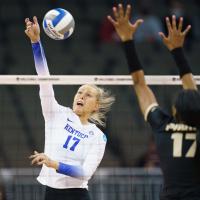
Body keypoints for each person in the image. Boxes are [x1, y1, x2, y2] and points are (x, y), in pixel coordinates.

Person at [108, 4, 200, 200]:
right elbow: (192, 97)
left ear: (176, 110)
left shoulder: (162, 126)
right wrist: (178, 51)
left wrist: (127, 40)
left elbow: (139, 84)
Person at [25, 16, 115, 200]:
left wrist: (53, 163)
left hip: (77, 195)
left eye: (88, 94)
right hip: (50, 193)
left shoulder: (98, 136)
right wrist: (36, 43)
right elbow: (44, 79)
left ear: (96, 106)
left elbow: (85, 173)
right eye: (79, 92)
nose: (81, 95)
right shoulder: (56, 113)